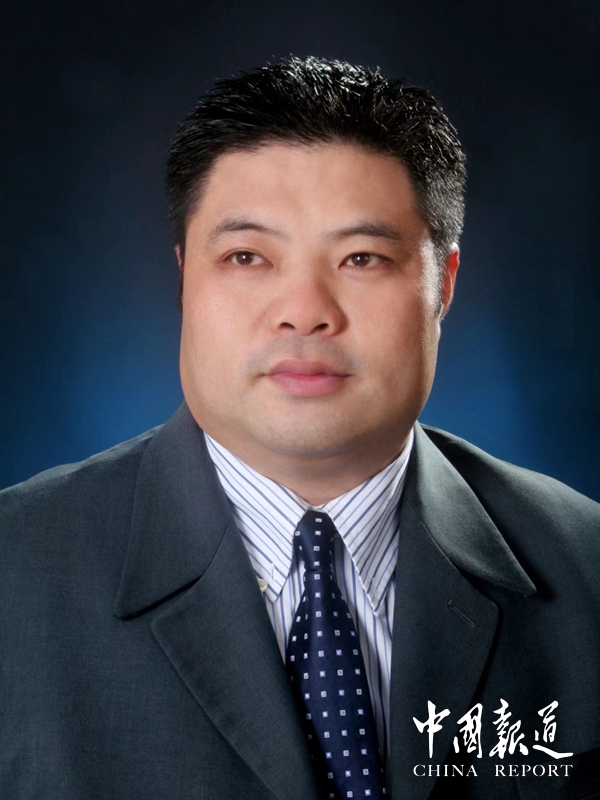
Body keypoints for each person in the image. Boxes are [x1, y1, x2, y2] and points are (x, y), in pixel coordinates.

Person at [1, 56, 599, 800]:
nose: (304, 312)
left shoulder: (586, 570)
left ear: (443, 284)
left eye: (361, 258)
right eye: (247, 256)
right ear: (184, 276)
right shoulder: (16, 573)